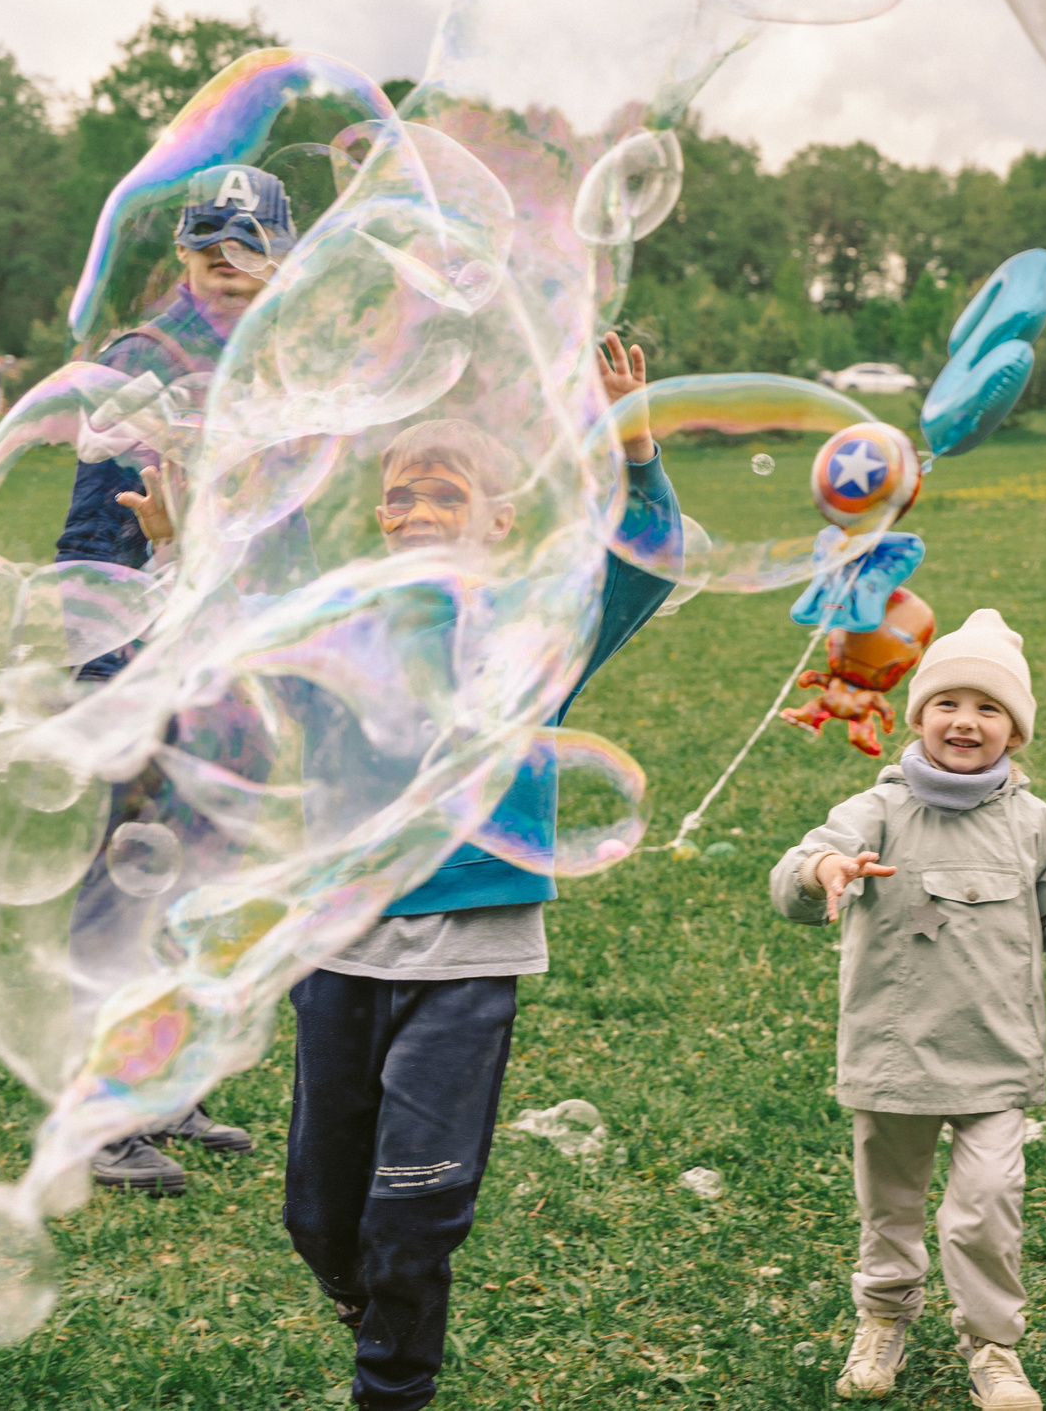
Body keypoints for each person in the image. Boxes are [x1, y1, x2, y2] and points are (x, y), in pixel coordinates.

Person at [277, 334, 678, 1411]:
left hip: (469, 947)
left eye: (446, 490)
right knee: (319, 1217)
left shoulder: (531, 631)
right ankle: (378, 1293)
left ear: (503, 521)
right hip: (339, 938)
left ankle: (393, 1382)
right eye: (398, 492)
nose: (415, 506)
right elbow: (237, 616)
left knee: (415, 1207)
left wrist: (631, 450)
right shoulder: (344, 624)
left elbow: (638, 564)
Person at [771, 608, 1046, 1411]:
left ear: (1017, 730)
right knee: (890, 1204)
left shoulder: (1035, 823)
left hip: (994, 1058)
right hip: (892, 1053)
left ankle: (993, 1344)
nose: (965, 721)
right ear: (919, 714)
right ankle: (884, 1316)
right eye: (947, 703)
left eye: (989, 707)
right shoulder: (879, 808)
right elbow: (797, 869)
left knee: (987, 1209)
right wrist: (824, 870)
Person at [70, 162, 297, 1195]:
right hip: (148, 653)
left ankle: (163, 1091)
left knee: (196, 879)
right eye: (209, 240)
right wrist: (115, 669)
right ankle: (103, 1118)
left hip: (235, 655)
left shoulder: (286, 364)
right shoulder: (143, 361)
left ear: (285, 252)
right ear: (182, 255)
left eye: (247, 240)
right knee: (133, 878)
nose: (227, 257)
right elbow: (99, 538)